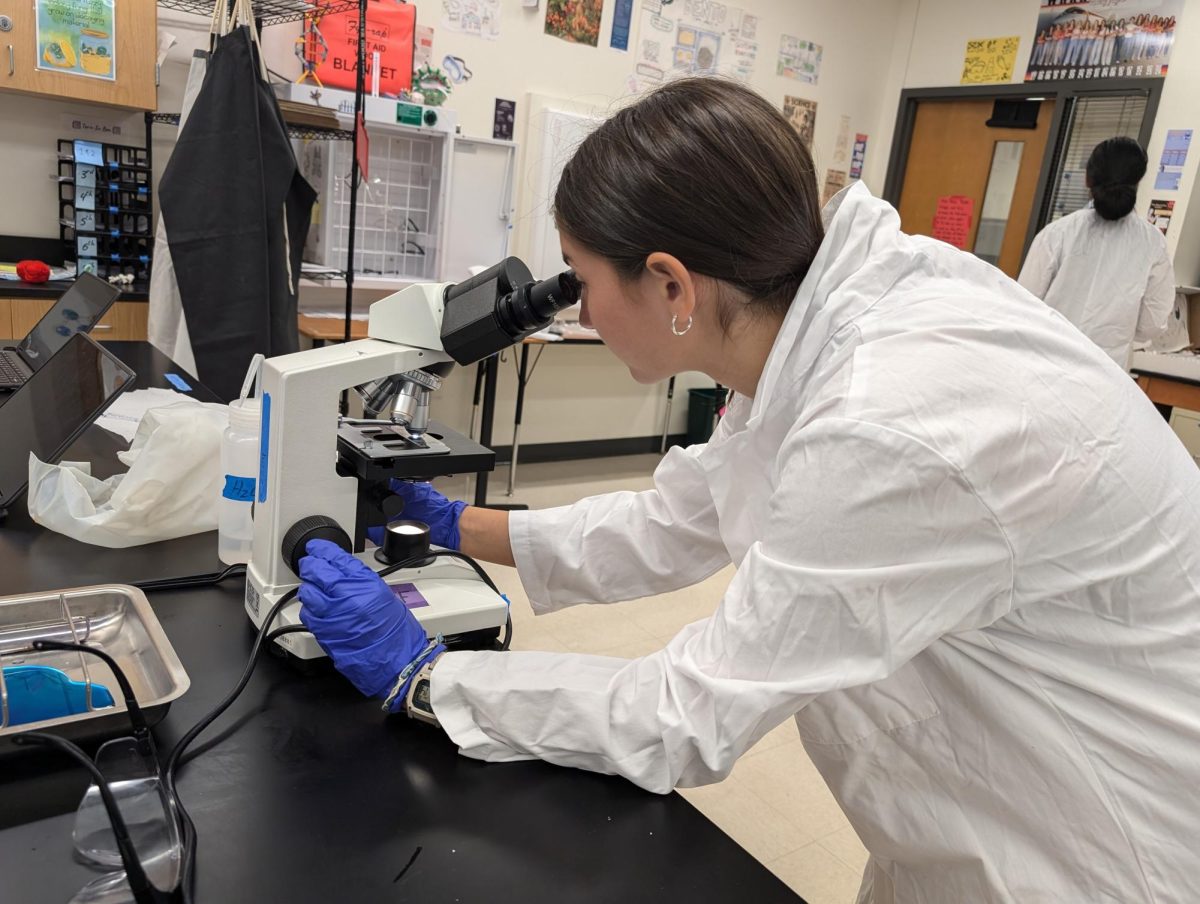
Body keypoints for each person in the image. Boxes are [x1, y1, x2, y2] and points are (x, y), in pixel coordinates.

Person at [298, 78, 1200, 902]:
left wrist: (432, 681)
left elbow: (687, 715)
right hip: (975, 804)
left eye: (580, 276)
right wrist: (458, 524)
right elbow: (675, 521)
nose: (576, 306)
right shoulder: (812, 319)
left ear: (670, 283)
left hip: (1095, 846)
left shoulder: (885, 419)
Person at [1018, 137, 1175, 369]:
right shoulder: (1153, 244)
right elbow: (1152, 323)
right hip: (1106, 373)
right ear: (1138, 180)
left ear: (1087, 179)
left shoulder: (1057, 233)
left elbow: (1022, 306)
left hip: (1045, 364)